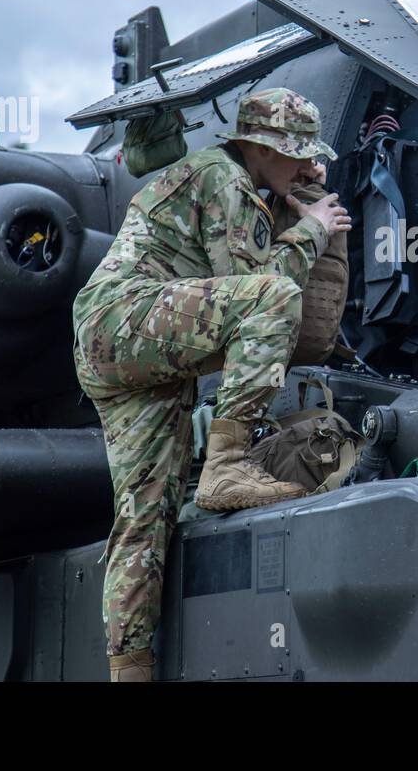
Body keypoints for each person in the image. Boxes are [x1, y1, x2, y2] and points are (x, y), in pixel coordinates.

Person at [72, 88, 351, 682]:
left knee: (145, 516)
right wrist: (313, 231)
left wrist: (291, 191)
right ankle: (227, 463)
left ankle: (130, 671)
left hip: (125, 345)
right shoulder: (224, 178)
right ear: (256, 145)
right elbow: (259, 287)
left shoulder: (237, 180)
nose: (307, 167)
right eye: (295, 153)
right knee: (275, 297)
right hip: (132, 320)